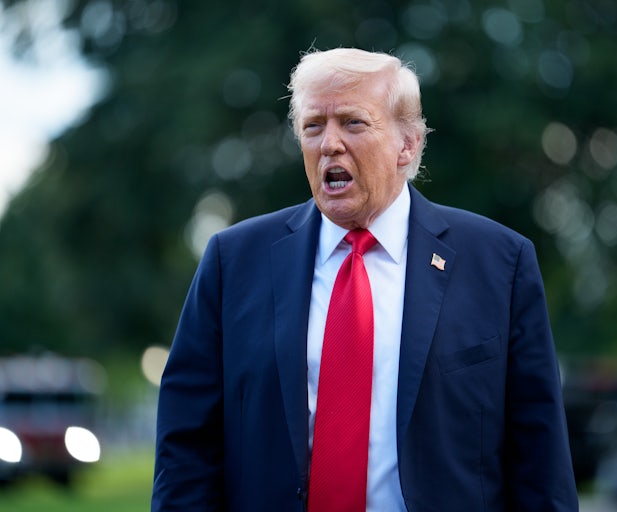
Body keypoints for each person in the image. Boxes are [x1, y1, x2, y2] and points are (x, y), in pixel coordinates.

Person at [152, 47, 578, 511]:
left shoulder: (501, 264)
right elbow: (186, 451)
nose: (329, 143)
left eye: (353, 123)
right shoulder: (231, 263)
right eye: (313, 126)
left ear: (408, 143)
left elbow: (540, 463)